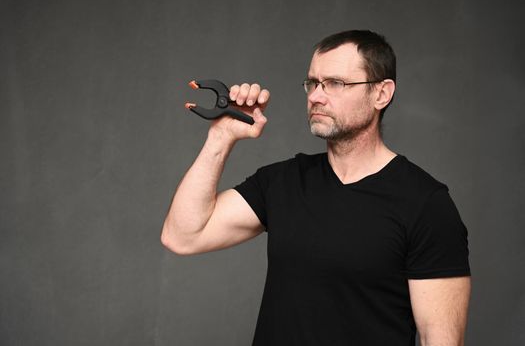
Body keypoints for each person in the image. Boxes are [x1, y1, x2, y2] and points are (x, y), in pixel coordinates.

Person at [161, 30, 471, 346]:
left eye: (335, 83)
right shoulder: (283, 181)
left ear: (381, 93)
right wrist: (222, 136)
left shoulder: (425, 203)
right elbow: (183, 236)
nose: (316, 96)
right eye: (313, 83)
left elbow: (441, 339)